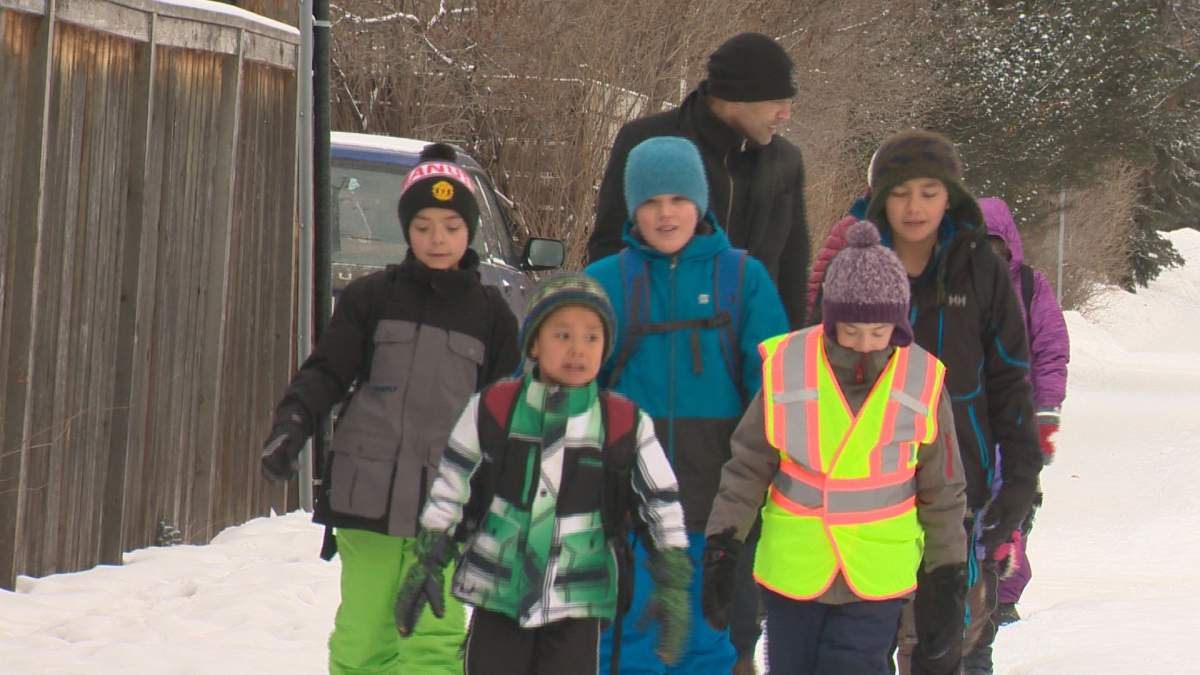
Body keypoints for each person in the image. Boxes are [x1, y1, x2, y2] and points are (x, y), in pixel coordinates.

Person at [259, 142, 520, 674]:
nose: (437, 239)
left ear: (469, 230)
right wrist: (292, 424)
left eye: (450, 225)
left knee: (433, 642)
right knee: (364, 637)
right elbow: (327, 372)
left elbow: (508, 417)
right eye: (423, 225)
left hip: (449, 507)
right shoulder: (371, 298)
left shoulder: (493, 317)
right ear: (406, 229)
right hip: (367, 496)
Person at [808, 130, 1043, 675]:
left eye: (929, 191)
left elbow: (1011, 378)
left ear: (950, 196)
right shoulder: (853, 265)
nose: (914, 207)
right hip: (862, 491)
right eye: (900, 191)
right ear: (878, 197)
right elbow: (815, 374)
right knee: (859, 651)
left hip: (957, 488)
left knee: (939, 648)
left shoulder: (981, 266)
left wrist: (1022, 481)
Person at [701, 219, 967, 675]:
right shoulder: (788, 366)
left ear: (898, 325)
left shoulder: (922, 380)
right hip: (796, 569)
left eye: (879, 332)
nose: (865, 342)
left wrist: (947, 575)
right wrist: (724, 542)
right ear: (830, 320)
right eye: (852, 330)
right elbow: (747, 466)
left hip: (876, 574)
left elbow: (943, 489)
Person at [394, 274, 692, 675]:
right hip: (498, 589)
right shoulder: (493, 408)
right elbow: (453, 481)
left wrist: (671, 575)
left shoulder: (623, 423)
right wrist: (430, 554)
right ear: (534, 341)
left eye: (591, 338)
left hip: (578, 593)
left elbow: (662, 499)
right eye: (562, 335)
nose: (577, 350)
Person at [585, 136, 790, 674]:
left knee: (706, 645)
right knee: (626, 643)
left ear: (700, 203)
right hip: (625, 508)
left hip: (714, 505)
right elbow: (556, 384)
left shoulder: (743, 280)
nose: (665, 213)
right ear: (633, 210)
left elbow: (778, 395)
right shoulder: (604, 283)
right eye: (651, 202)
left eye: (678, 199)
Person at [588, 32, 810, 335]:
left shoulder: (786, 161)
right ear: (736, 98)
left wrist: (786, 357)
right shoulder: (648, 143)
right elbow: (609, 246)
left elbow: (792, 274)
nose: (785, 114)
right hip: (659, 345)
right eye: (777, 101)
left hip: (753, 354)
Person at [959, 197, 1070, 673]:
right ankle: (978, 599)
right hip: (963, 420)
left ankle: (1002, 596)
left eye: (994, 245)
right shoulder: (953, 288)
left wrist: (1046, 413)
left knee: (1013, 513)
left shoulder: (1029, 287)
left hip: (1016, 423)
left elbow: (1051, 350)